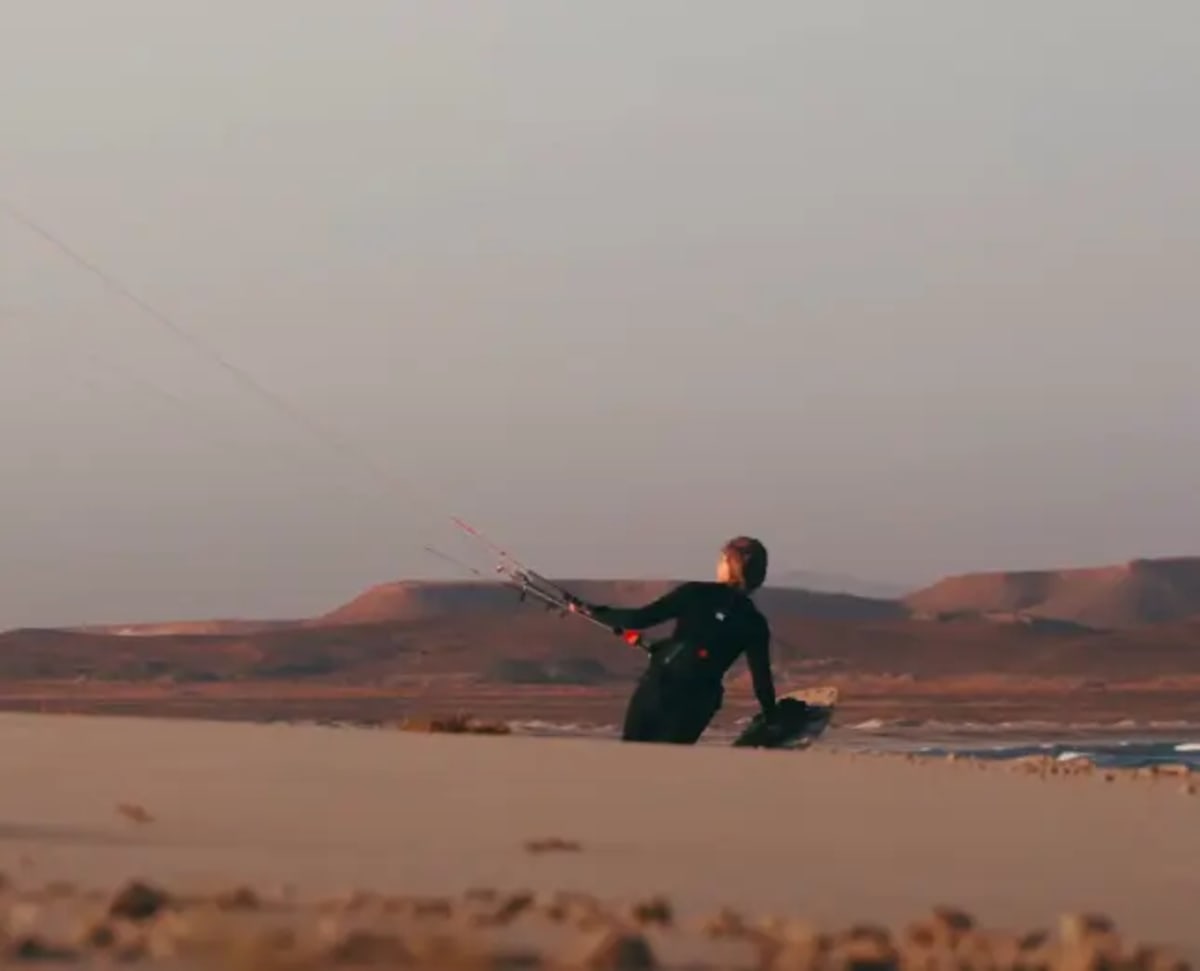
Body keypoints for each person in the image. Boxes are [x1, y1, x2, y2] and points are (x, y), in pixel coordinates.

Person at [570, 536, 778, 745]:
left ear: (729, 564)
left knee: (632, 757)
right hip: (700, 702)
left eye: (721, 560)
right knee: (669, 763)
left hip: (662, 687)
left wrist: (594, 611)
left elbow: (639, 619)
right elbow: (762, 681)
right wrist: (772, 718)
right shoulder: (755, 622)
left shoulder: (695, 593)